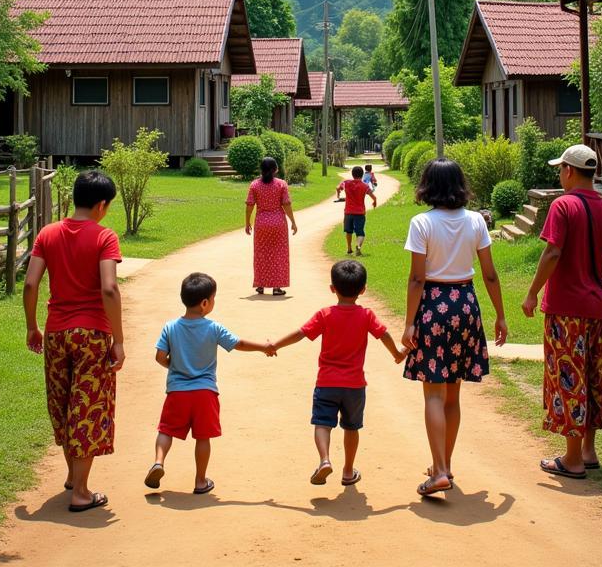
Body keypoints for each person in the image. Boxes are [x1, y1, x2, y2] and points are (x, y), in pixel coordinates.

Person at [521, 144, 602, 480]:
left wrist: (532, 293)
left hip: (565, 309)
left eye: (561, 169)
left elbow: (553, 252)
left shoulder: (563, 205)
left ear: (570, 172)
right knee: (592, 374)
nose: (560, 174)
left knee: (568, 377)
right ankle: (588, 451)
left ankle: (571, 460)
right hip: (596, 308)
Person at [402, 158, 508, 497]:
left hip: (433, 306)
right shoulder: (476, 220)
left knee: (433, 391)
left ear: (427, 186)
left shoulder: (421, 223)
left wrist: (408, 323)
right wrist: (501, 315)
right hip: (465, 304)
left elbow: (418, 277)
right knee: (453, 392)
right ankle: (443, 464)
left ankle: (440, 471)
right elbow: (490, 274)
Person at [23, 169, 123, 513]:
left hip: (55, 332)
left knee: (63, 403)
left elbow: (30, 284)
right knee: (88, 408)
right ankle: (81, 491)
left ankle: (72, 475)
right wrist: (119, 340)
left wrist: (31, 327)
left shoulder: (48, 233)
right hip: (92, 334)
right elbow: (109, 287)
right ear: (101, 205)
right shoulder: (104, 237)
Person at [268, 260, 405, 486]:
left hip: (327, 383)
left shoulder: (325, 314)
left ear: (332, 288)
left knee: (322, 423)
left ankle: (324, 459)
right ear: (363, 289)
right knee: (351, 428)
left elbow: (301, 333)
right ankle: (348, 471)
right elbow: (384, 335)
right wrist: (397, 354)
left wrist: (275, 345)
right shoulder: (367, 315)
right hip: (354, 385)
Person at [144, 272, 275, 494]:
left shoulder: (170, 327)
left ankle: (158, 461)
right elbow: (238, 343)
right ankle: (200, 480)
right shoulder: (213, 328)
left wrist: (174, 367)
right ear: (205, 303)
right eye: (213, 299)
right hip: (205, 392)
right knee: (202, 437)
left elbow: (159, 357)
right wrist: (264, 347)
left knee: (166, 430)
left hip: (177, 392)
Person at [245, 157, 298, 296]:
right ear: (276, 169)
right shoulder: (281, 184)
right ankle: (276, 287)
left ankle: (261, 285)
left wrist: (247, 222)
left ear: (261, 170)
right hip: (278, 223)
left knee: (261, 253)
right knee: (279, 254)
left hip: (261, 223)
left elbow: (250, 205)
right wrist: (293, 221)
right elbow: (286, 204)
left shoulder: (255, 185)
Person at [336, 165, 377, 256]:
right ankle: (358, 246)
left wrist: (338, 194)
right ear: (362, 175)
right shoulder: (364, 186)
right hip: (359, 213)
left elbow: (338, 187)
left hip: (348, 212)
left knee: (348, 231)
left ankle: (349, 249)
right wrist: (374, 202)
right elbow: (373, 197)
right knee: (360, 232)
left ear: (352, 174)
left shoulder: (346, 183)